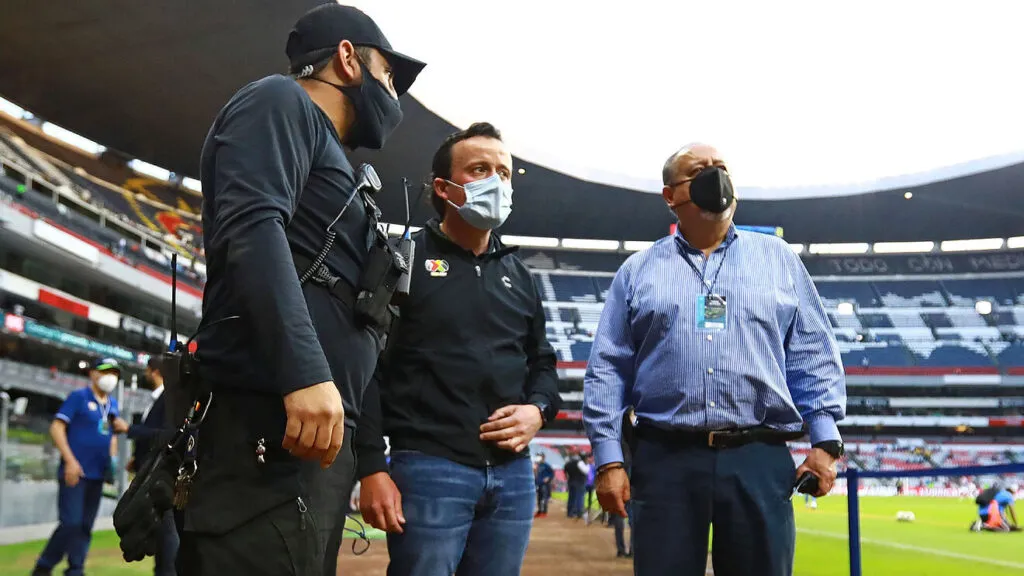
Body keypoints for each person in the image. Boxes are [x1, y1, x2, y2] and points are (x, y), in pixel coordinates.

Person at [178, 5, 424, 576]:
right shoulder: (279, 99)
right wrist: (304, 372)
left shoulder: (335, 158)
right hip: (269, 420)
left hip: (312, 433)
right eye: (390, 74)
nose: (394, 95)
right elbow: (251, 227)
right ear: (347, 58)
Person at [583, 143, 847, 576]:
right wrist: (609, 459)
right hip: (665, 457)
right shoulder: (637, 270)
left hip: (758, 455)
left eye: (720, 167)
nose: (715, 176)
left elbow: (812, 352)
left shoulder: (779, 259)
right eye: (699, 170)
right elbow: (608, 369)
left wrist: (825, 441)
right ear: (671, 196)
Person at [354, 122, 561, 576]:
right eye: (480, 169)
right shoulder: (401, 260)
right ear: (443, 188)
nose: (497, 182)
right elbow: (366, 367)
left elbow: (543, 364)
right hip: (428, 467)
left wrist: (538, 410)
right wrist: (371, 466)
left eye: (504, 173)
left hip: (513, 473)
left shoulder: (520, 275)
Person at [33, 358, 129, 576]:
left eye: (115, 373)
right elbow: (57, 428)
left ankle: (76, 569)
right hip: (75, 472)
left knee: (85, 526)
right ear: (93, 373)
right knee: (71, 523)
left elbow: (111, 435)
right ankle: (44, 565)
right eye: (106, 371)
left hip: (97, 474)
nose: (111, 377)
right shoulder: (79, 397)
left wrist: (112, 462)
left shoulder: (113, 404)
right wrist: (70, 461)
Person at [126, 358, 176, 576]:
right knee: (159, 531)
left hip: (161, 475)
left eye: (147, 370)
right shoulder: (157, 398)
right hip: (152, 472)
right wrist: (137, 459)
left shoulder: (168, 398)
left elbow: (165, 435)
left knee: (166, 531)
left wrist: (130, 429)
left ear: (154, 371)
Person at [564, 450, 587, 519]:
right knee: (579, 498)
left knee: (571, 497)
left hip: (571, 481)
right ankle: (578, 513)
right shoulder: (580, 463)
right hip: (579, 482)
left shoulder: (568, 463)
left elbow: (565, 471)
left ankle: (570, 513)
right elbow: (586, 471)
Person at [534, 452, 555, 518]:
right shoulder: (537, 465)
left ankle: (544, 512)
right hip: (538, 484)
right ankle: (540, 511)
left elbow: (552, 473)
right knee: (539, 498)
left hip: (544, 484)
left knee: (544, 498)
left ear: (543, 457)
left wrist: (548, 478)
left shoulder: (546, 465)